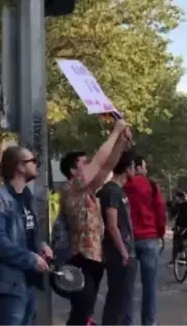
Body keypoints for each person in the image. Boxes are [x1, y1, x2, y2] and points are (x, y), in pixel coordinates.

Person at [60, 119, 131, 326]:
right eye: (84, 162)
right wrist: (115, 131)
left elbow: (107, 165)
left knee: (85, 311)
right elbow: (99, 162)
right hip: (79, 258)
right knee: (81, 310)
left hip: (94, 259)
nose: (89, 163)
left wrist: (121, 144)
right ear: (73, 171)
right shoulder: (71, 188)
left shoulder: (88, 191)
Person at [0, 145, 53, 326]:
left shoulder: (28, 198)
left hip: (28, 282)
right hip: (8, 285)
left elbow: (29, 232)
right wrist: (30, 258)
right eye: (32, 161)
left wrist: (42, 245)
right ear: (20, 166)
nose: (36, 165)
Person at [123, 155, 166, 326]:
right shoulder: (152, 186)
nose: (146, 170)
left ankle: (127, 323)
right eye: (144, 166)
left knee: (127, 287)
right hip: (149, 238)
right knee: (150, 286)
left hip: (129, 240)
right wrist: (160, 232)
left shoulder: (123, 186)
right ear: (138, 167)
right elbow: (160, 211)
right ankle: (149, 323)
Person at [99, 151, 135, 326]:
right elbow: (112, 225)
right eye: (134, 166)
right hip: (117, 252)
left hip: (124, 248)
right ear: (127, 169)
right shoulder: (111, 191)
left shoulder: (118, 191)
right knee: (117, 298)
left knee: (122, 297)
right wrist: (124, 252)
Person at [167, 190, 187, 267]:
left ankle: (173, 261)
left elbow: (173, 217)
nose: (175, 198)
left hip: (179, 227)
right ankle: (183, 258)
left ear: (179, 197)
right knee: (183, 244)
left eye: (176, 196)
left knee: (176, 244)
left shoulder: (178, 206)